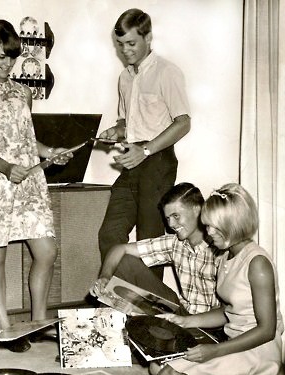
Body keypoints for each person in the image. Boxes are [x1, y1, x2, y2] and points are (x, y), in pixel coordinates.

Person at [0, 20, 72, 353]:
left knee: (47, 250)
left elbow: (27, 139)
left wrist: (51, 153)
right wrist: (5, 167)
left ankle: (38, 321)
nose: (8, 63)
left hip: (26, 179)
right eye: (2, 55)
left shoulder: (22, 91)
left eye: (13, 57)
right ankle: (6, 328)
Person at [149, 183, 285, 375]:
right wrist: (185, 320)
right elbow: (228, 311)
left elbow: (267, 330)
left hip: (256, 349)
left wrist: (215, 351)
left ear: (231, 224)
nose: (208, 232)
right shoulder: (225, 256)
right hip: (234, 342)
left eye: (212, 226)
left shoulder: (257, 263)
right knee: (156, 367)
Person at [97, 9, 191, 279]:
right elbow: (127, 121)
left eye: (131, 43)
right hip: (132, 160)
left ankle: (148, 313)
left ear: (148, 37)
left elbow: (183, 122)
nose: (125, 51)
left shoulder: (167, 72)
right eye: (120, 45)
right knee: (110, 233)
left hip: (158, 162)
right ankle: (121, 299)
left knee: (150, 241)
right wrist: (116, 131)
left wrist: (146, 149)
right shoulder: (124, 78)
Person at [91, 182, 222, 315]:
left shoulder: (220, 247)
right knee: (126, 261)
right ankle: (106, 321)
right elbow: (120, 249)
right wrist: (105, 277)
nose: (171, 224)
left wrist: (188, 322)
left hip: (210, 324)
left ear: (197, 209)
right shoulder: (174, 243)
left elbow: (228, 310)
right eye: (168, 218)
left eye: (176, 216)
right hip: (182, 312)